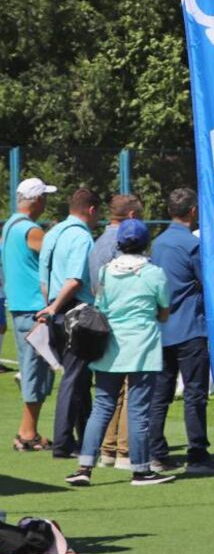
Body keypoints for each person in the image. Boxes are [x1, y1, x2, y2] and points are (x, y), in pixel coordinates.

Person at [64, 218, 175, 486]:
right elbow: (163, 310)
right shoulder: (154, 273)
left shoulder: (105, 272)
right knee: (138, 410)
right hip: (143, 347)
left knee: (102, 406)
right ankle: (140, 470)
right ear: (145, 243)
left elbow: (100, 304)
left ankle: (84, 468)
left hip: (110, 347)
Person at [148, 188, 214, 475]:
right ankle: (197, 453)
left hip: (163, 329)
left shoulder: (159, 243)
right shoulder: (192, 245)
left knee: (161, 394)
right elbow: (208, 281)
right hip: (190, 328)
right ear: (192, 211)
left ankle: (157, 452)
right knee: (194, 393)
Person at [38, 188, 100, 459]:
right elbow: (75, 279)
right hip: (73, 309)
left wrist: (50, 306)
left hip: (54, 308)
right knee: (74, 378)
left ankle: (84, 437)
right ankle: (63, 443)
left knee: (78, 376)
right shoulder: (82, 236)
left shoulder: (52, 233)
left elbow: (44, 278)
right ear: (91, 210)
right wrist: (57, 306)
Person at [87, 195, 143, 470]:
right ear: (132, 215)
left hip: (102, 320)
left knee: (109, 392)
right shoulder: (123, 244)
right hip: (125, 323)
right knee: (130, 388)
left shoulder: (98, 242)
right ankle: (124, 451)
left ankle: (108, 450)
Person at [3, 178, 54, 451]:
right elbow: (53, 254)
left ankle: (29, 431)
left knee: (34, 368)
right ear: (36, 200)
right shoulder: (31, 230)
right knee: (36, 370)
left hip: (20, 306)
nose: (46, 202)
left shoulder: (10, 225)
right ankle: (27, 433)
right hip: (35, 309)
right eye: (44, 197)